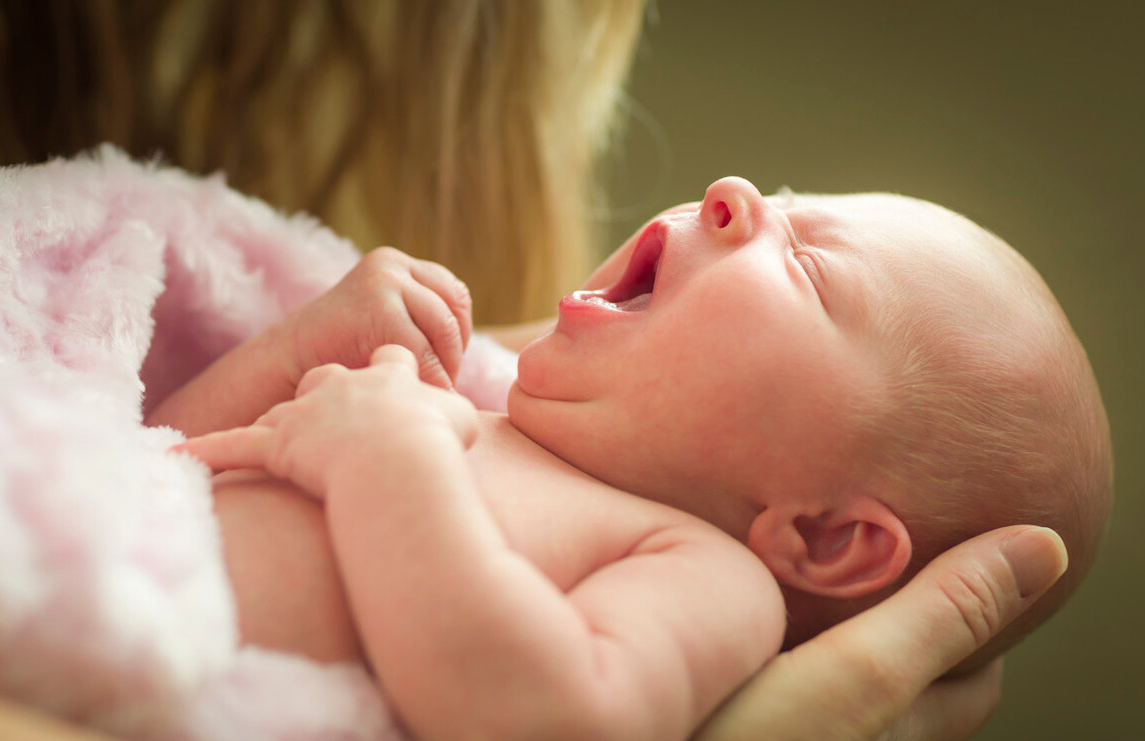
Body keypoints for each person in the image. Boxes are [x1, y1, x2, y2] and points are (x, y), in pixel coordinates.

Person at [171, 176, 1111, 741]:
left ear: (824, 537)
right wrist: (294, 348)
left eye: (810, 269)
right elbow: (152, 459)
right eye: (782, 198)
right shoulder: (470, 389)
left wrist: (391, 461)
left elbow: (549, 721)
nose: (731, 195)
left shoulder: (703, 577)